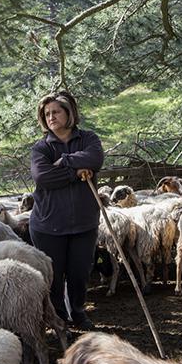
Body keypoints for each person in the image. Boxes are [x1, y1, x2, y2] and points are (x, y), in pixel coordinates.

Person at [29, 90, 104, 331]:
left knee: (80, 272)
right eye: (46, 113)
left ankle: (79, 313)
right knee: (53, 276)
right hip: (49, 224)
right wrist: (75, 171)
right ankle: (58, 317)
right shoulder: (41, 148)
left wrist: (63, 161)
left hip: (84, 221)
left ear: (68, 113)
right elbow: (43, 176)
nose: (51, 117)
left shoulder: (88, 138)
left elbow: (95, 158)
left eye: (56, 112)